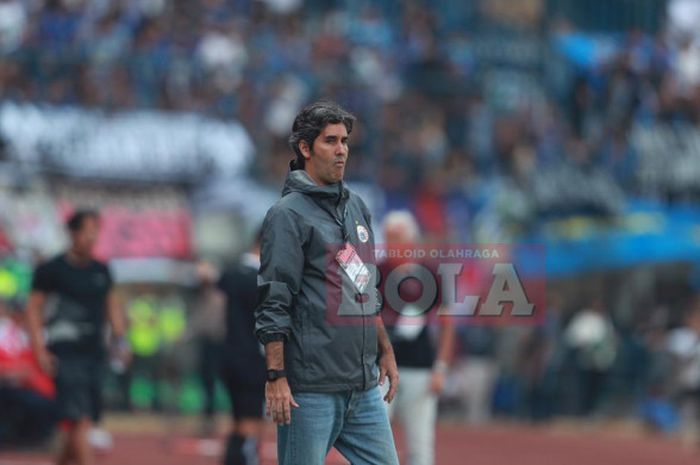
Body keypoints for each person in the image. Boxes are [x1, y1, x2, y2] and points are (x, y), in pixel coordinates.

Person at [255, 100, 400, 465]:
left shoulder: (357, 208)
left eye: (345, 141)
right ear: (305, 148)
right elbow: (274, 300)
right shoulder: (287, 215)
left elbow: (364, 287)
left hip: (362, 387)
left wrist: (385, 349)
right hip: (311, 390)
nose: (341, 151)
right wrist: (276, 375)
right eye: (330, 141)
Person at [25, 210, 128, 465]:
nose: (92, 237)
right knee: (79, 417)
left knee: (81, 421)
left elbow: (112, 307)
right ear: (72, 233)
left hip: (94, 352)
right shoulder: (51, 269)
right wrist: (39, 349)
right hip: (65, 353)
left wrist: (121, 341)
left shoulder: (102, 270)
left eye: (96, 231)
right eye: (87, 231)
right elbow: (33, 309)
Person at [379, 210, 455, 465]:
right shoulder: (376, 273)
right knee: (373, 439)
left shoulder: (431, 275)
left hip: (420, 368)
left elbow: (447, 325)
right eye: (388, 238)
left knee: (420, 447)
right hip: (380, 370)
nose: (391, 245)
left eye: (396, 238)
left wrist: (441, 367)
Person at [217, 233, 266, 465]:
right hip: (251, 358)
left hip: (227, 354)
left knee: (238, 420)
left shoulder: (230, 273)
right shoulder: (260, 279)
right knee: (250, 422)